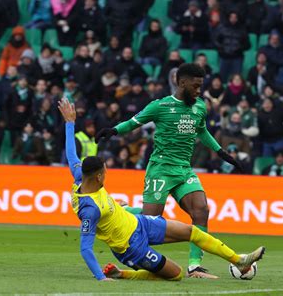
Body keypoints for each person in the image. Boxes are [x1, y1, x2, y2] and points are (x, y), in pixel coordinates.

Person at [58, 97, 265, 281]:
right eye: (106, 171)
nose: (107, 173)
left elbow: (71, 154)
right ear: (99, 176)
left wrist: (70, 123)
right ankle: (122, 273)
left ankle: (240, 260)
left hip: (139, 223)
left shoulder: (80, 177)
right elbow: (85, 248)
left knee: (191, 231)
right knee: (176, 274)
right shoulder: (90, 209)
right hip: (131, 247)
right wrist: (100, 278)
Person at [95, 63, 243, 278]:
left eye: (201, 86)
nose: (199, 90)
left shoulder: (200, 106)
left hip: (184, 169)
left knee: (201, 210)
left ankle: (195, 266)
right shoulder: (160, 106)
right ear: (182, 82)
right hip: (161, 170)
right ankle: (124, 211)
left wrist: (222, 154)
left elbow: (203, 132)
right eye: (196, 85)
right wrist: (113, 130)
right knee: (151, 220)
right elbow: (134, 122)